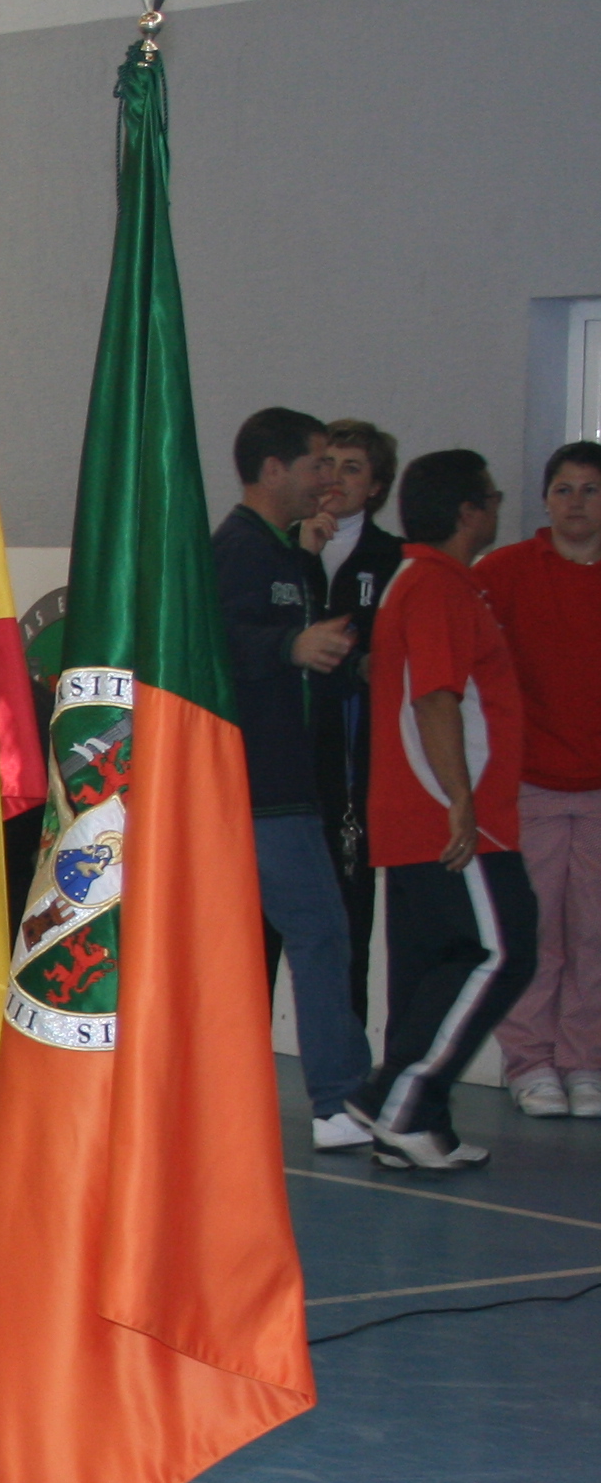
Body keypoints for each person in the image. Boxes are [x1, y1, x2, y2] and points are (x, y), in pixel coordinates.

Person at [345, 449, 531, 1171]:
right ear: (467, 512)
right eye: (492, 497)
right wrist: (460, 800)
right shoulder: (437, 586)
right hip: (452, 815)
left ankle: (414, 1125)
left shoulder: (430, 582)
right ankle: (396, 1099)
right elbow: (434, 697)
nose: (497, 507)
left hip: (425, 811)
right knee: (504, 950)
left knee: (429, 966)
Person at [214, 405, 374, 1147]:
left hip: (286, 783)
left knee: (305, 935)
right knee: (320, 931)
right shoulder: (236, 551)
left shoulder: (287, 553)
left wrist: (348, 664)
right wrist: (287, 647)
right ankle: (339, 1101)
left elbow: (304, 651)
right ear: (274, 469)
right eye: (316, 464)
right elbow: (212, 644)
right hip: (260, 787)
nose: (326, 479)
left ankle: (306, 1096)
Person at [479, 440, 601, 1117]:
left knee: (594, 936)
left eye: (591, 489)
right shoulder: (505, 572)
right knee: (536, 932)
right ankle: (530, 1063)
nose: (577, 502)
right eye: (564, 489)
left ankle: (586, 1061)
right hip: (531, 785)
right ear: (546, 499)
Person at [307, 419, 404, 1027]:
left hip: (355, 763)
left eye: (352, 468)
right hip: (288, 762)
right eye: (328, 464)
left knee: (349, 914)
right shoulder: (283, 547)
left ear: (376, 486)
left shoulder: (392, 559)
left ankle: (347, 1047)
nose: (336, 479)